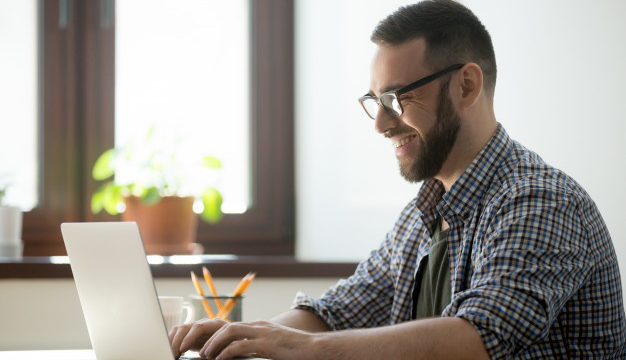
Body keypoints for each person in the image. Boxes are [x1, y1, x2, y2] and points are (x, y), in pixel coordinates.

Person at [169, 1, 626, 359]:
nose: (381, 124)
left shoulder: (539, 200)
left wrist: (301, 350)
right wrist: (244, 337)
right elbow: (336, 313)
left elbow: (478, 339)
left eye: (395, 97)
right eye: (375, 100)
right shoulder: (424, 212)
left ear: (466, 85)